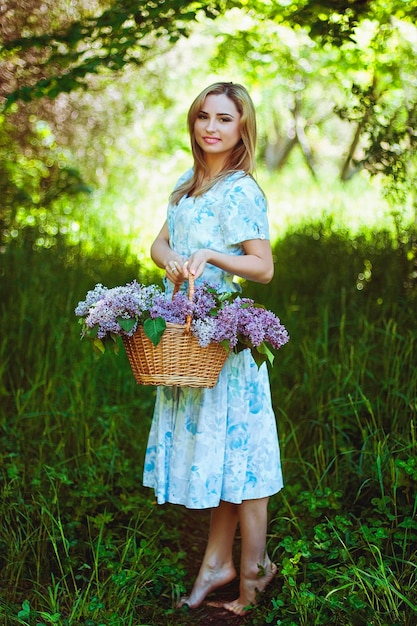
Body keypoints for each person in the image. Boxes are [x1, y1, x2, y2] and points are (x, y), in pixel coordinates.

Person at [144, 81, 283, 616]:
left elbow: (263, 267)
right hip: (186, 336)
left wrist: (210, 255)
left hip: (224, 338)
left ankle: (251, 574)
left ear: (242, 126)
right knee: (221, 455)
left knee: (242, 458)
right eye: (204, 116)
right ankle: (216, 564)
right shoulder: (188, 183)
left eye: (224, 119)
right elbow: (159, 242)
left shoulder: (240, 188)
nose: (211, 127)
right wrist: (172, 261)